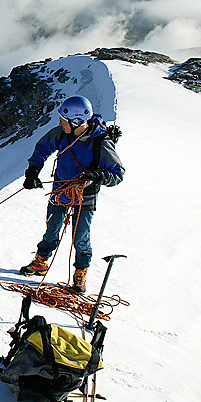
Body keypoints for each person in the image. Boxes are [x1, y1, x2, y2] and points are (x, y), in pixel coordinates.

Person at [20, 96, 124, 294]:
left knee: (80, 237)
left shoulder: (101, 142)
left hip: (85, 197)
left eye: (63, 120)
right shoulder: (62, 133)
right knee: (52, 228)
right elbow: (43, 147)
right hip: (61, 190)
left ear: (76, 121)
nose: (59, 122)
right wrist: (33, 171)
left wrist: (97, 176)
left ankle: (80, 273)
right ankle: (41, 261)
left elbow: (117, 174)